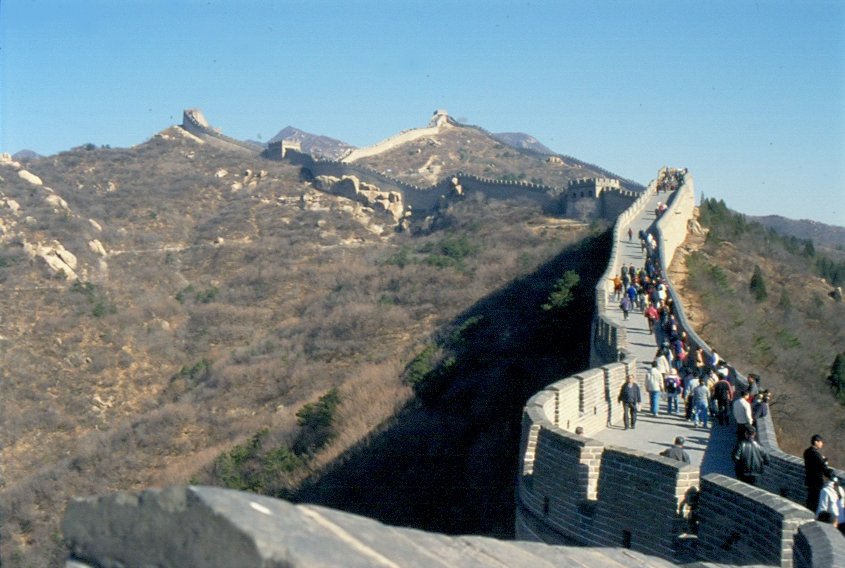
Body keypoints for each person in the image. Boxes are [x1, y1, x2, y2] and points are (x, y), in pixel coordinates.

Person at [804, 434, 829, 513]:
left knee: (810, 499)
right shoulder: (816, 454)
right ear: (816, 442)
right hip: (817, 481)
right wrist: (825, 461)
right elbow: (823, 467)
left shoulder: (807, 452)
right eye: (820, 442)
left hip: (809, 479)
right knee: (816, 501)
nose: (822, 444)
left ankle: (808, 513)